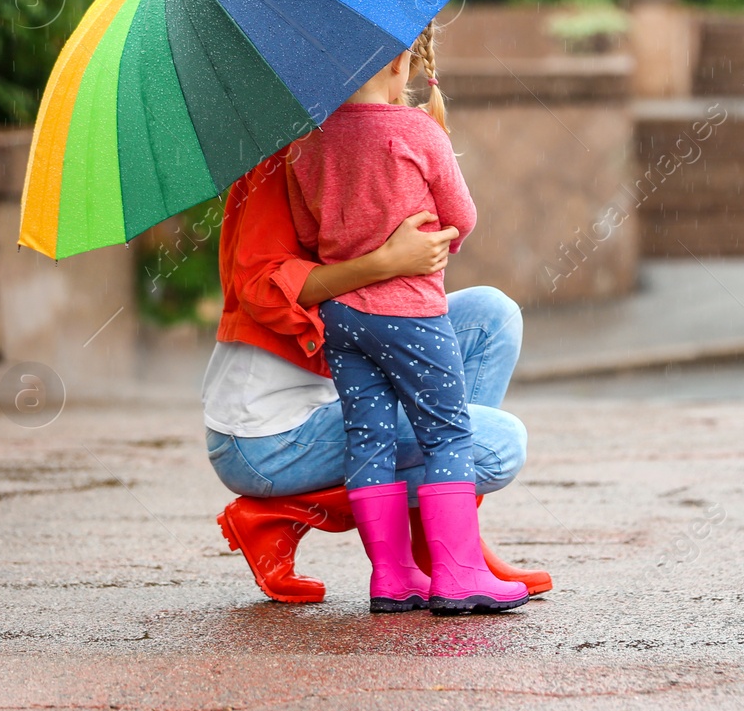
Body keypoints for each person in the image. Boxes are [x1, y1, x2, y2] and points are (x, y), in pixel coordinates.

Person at [204, 60, 551, 606]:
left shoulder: (329, 137)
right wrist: (387, 261)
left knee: (491, 316)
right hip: (269, 434)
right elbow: (259, 286)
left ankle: (421, 557)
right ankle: (439, 554)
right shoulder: (284, 147)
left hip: (339, 352)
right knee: (493, 445)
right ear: (397, 65)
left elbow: (325, 233)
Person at [282, 23, 528, 614]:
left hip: (341, 317)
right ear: (399, 61)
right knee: (446, 430)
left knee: (369, 439)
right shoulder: (416, 130)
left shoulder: (306, 140)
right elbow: (461, 217)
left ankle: (392, 578)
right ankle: (458, 573)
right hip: (410, 314)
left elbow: (309, 233)